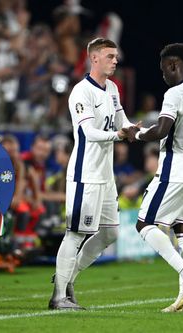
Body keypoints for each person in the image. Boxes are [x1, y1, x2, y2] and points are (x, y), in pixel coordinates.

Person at [124, 43, 183, 313]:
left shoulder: (175, 93)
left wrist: (136, 134)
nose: (163, 74)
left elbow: (162, 129)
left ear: (174, 64)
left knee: (145, 224)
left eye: (164, 68)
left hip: (175, 166)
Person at [48, 37, 137, 310]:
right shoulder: (80, 92)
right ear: (94, 58)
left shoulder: (112, 88)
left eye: (116, 56)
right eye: (110, 56)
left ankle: (67, 278)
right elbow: (87, 132)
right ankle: (58, 297)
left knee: (110, 234)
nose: (115, 60)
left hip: (106, 175)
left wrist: (141, 131)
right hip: (85, 174)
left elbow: (123, 121)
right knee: (75, 234)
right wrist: (119, 136)